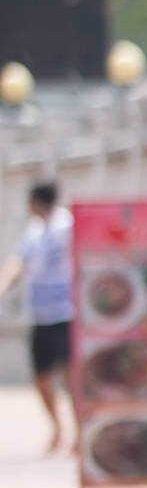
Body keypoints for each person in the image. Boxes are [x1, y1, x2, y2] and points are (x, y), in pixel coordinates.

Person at [6, 179, 70, 452]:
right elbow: (17, 263)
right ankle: (58, 428)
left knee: (71, 376)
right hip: (41, 314)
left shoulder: (68, 226)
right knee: (42, 376)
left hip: (67, 313)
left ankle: (80, 433)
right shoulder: (32, 232)